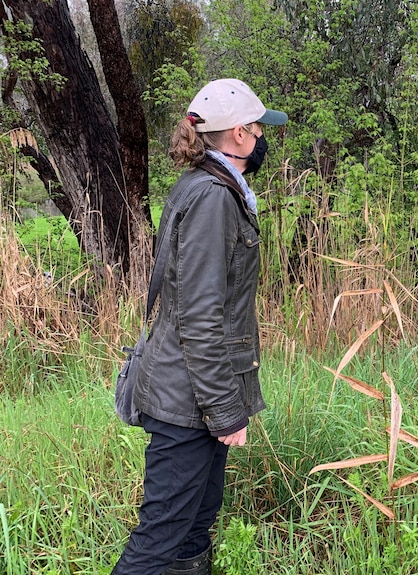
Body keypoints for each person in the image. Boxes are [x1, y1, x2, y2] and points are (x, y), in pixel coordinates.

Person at [112, 79, 287, 575]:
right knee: (161, 535)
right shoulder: (213, 198)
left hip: (195, 396)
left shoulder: (212, 185)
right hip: (187, 399)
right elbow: (200, 317)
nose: (260, 139)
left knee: (195, 521)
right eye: (256, 128)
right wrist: (227, 412)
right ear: (237, 135)